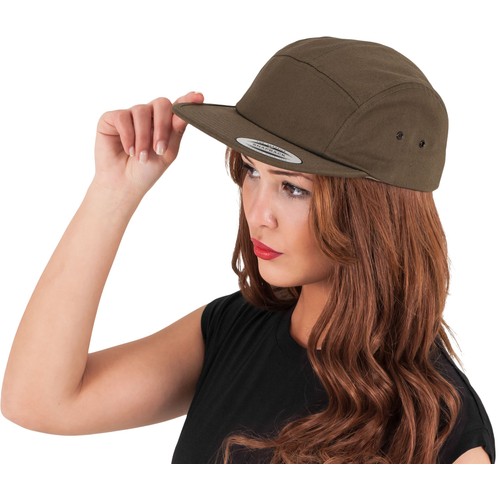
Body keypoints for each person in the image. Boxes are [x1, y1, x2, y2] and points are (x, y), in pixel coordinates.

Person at [1, 36, 495, 464]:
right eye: (252, 172)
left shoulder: (440, 430)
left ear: (374, 213)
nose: (258, 213)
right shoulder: (233, 329)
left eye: (293, 188)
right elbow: (36, 401)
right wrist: (114, 191)